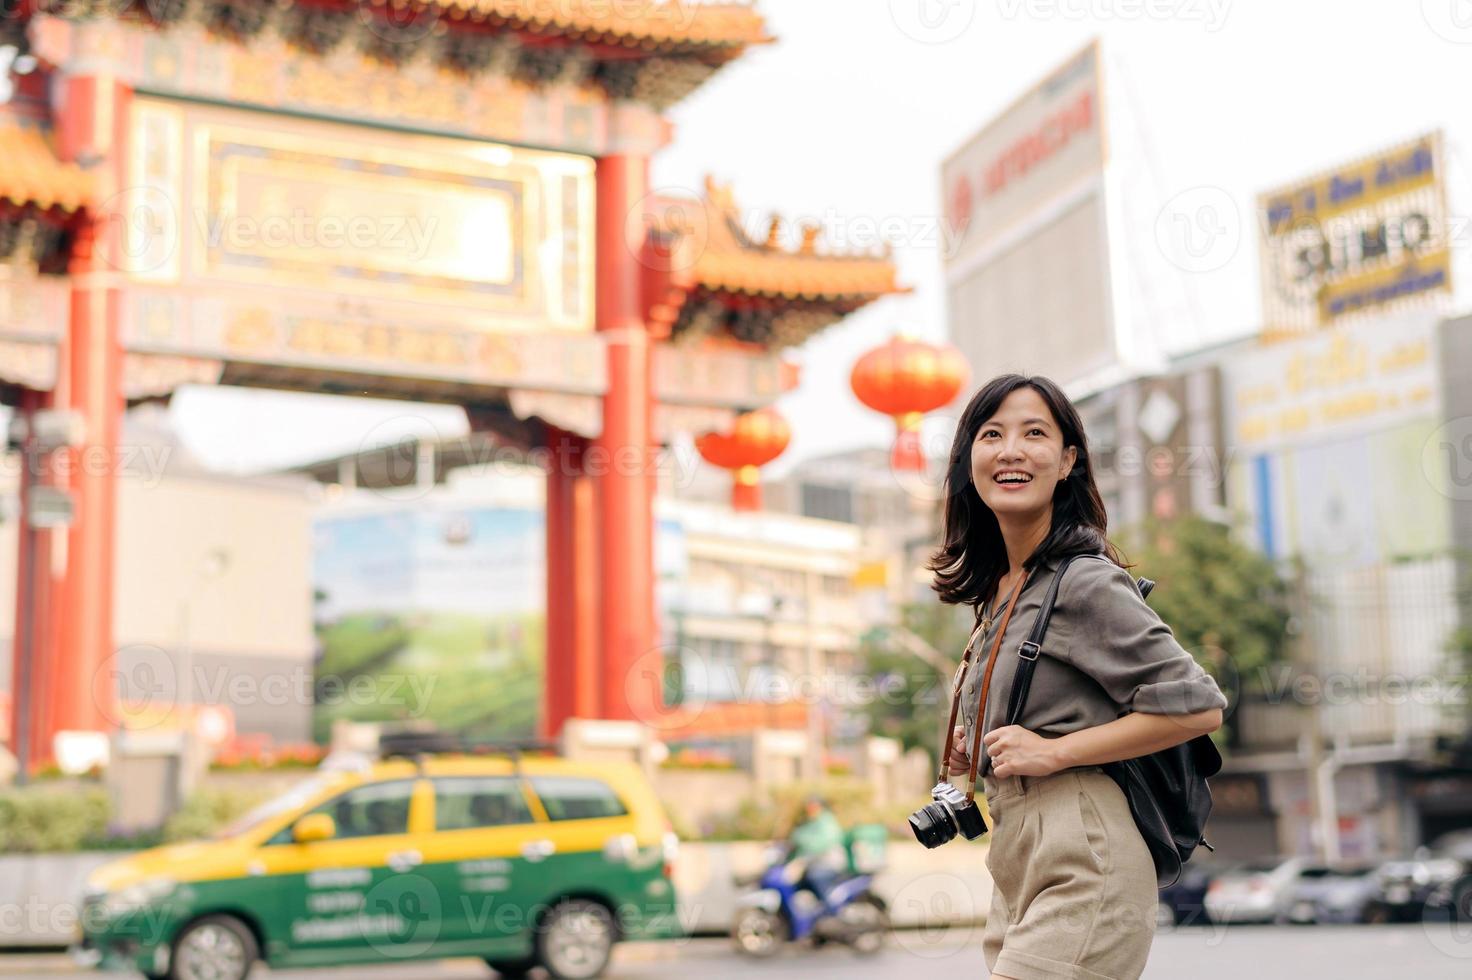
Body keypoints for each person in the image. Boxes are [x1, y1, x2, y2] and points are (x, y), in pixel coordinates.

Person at [928, 374, 1227, 980]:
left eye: (1033, 433)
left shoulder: (1082, 580)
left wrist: (1054, 751)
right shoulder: (1003, 592)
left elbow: (1198, 707)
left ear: (1068, 461)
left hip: (1084, 846)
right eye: (992, 434)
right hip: (1016, 855)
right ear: (968, 463)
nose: (1010, 450)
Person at [787, 796, 847, 904]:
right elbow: (798, 836)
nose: (810, 809)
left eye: (813, 806)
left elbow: (821, 844)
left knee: (815, 877)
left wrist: (802, 842)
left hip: (828, 863)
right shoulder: (810, 822)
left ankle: (829, 908)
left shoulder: (827, 822)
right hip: (814, 863)